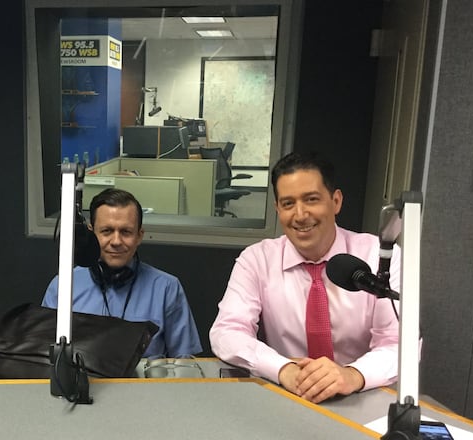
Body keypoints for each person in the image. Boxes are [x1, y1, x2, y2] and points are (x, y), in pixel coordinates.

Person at [209, 151, 399, 403]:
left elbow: (398, 342)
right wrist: (282, 368)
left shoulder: (381, 257)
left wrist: (352, 375)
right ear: (277, 209)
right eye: (288, 204)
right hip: (289, 394)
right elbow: (227, 331)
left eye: (311, 199)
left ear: (336, 201)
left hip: (362, 397)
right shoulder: (257, 259)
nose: (300, 215)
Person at [42, 188, 202, 358]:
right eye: (107, 231)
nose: (116, 241)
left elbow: (185, 363)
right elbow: (43, 354)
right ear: (91, 233)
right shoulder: (64, 286)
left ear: (139, 236)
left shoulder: (167, 288)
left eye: (126, 232)